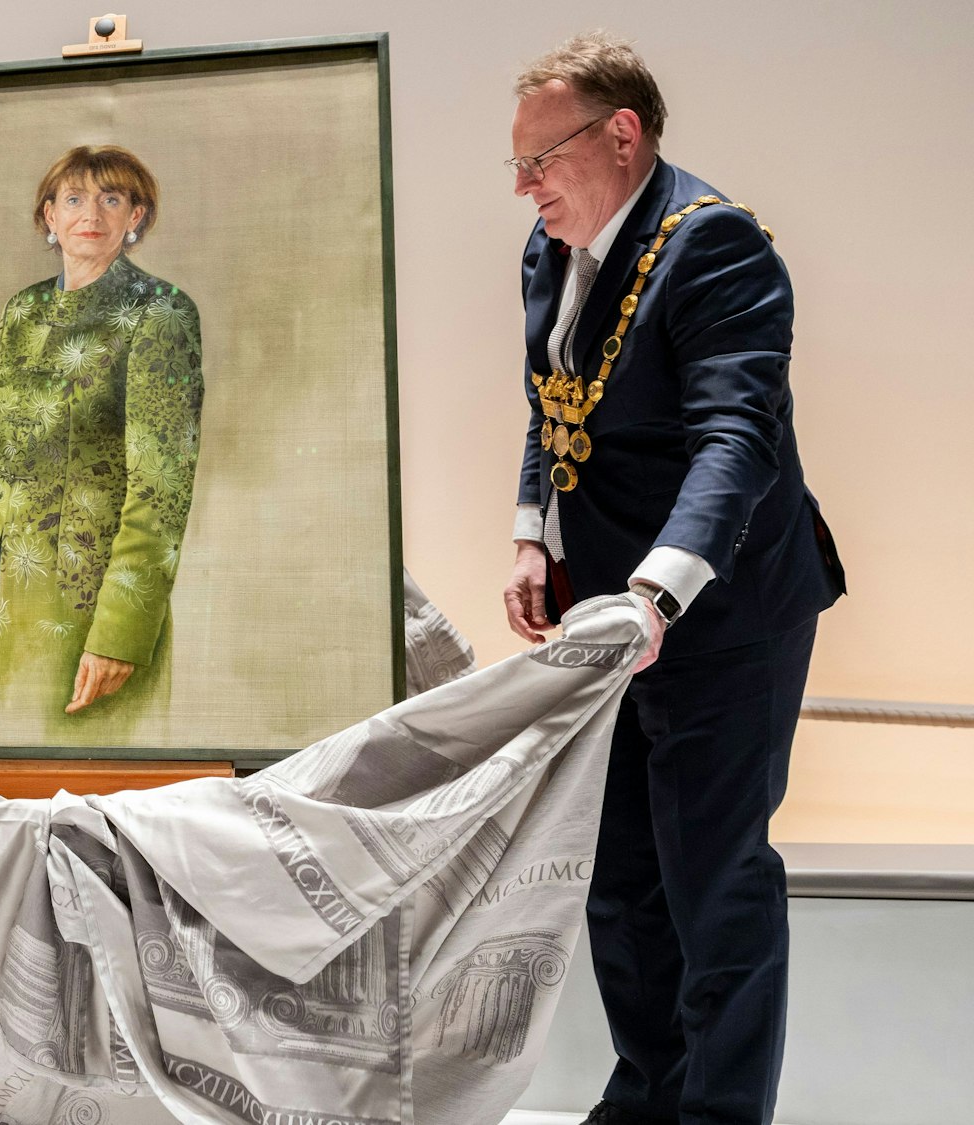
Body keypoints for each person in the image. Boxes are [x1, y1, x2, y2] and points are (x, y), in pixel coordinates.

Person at [500, 34, 845, 1125]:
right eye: (513, 165)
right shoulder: (547, 245)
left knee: (712, 881)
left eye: (539, 158)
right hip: (612, 616)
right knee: (620, 888)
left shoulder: (718, 250)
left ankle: (719, 1111)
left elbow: (733, 442)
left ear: (620, 133)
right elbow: (552, 402)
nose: (523, 186)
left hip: (722, 612)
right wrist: (530, 533)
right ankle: (648, 1093)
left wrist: (654, 594)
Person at [0, 145, 203, 748]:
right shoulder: (22, 311)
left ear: (137, 216)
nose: (91, 214)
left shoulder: (161, 314)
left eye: (112, 199)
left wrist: (120, 634)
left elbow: (161, 490)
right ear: (48, 217)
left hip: (86, 600)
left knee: (77, 805)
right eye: (74, 199)